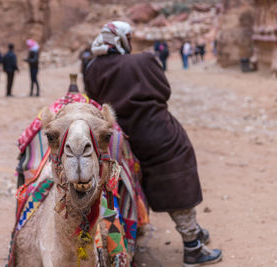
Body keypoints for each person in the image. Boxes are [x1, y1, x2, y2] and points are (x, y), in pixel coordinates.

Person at [84, 21, 222, 267]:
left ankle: (192, 229)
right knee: (178, 175)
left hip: (120, 139)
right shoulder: (143, 61)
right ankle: (192, 245)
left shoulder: (92, 67)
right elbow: (164, 91)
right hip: (156, 133)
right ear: (122, 40)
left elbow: (95, 100)